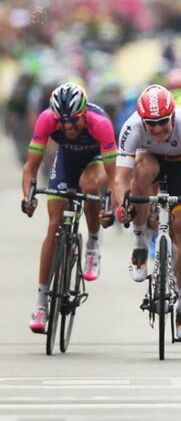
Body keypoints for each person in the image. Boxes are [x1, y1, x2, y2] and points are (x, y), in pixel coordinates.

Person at [114, 84, 181, 342]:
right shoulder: (131, 127)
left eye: (163, 123)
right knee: (142, 170)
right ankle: (140, 243)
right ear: (142, 120)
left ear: (173, 115)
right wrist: (123, 205)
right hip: (151, 166)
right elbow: (120, 178)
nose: (156, 130)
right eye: (150, 125)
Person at [21, 83, 117, 333]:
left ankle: (94, 242)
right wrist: (28, 196)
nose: (67, 127)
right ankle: (41, 302)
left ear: (84, 113)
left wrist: (112, 205)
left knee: (89, 186)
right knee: (54, 226)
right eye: (62, 122)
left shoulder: (101, 124)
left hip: (95, 162)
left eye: (73, 121)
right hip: (66, 161)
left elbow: (114, 174)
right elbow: (30, 167)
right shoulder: (46, 120)